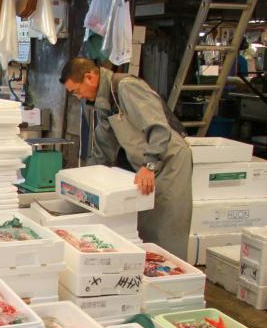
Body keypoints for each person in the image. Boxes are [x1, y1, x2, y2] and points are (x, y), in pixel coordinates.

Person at [59, 57, 193, 259]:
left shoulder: (126, 86)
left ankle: (174, 279)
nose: (78, 97)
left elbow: (158, 127)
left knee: (166, 225)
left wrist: (149, 164)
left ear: (90, 77)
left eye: (76, 91)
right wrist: (85, 181)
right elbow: (104, 145)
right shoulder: (104, 101)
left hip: (169, 161)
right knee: (145, 224)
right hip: (147, 165)